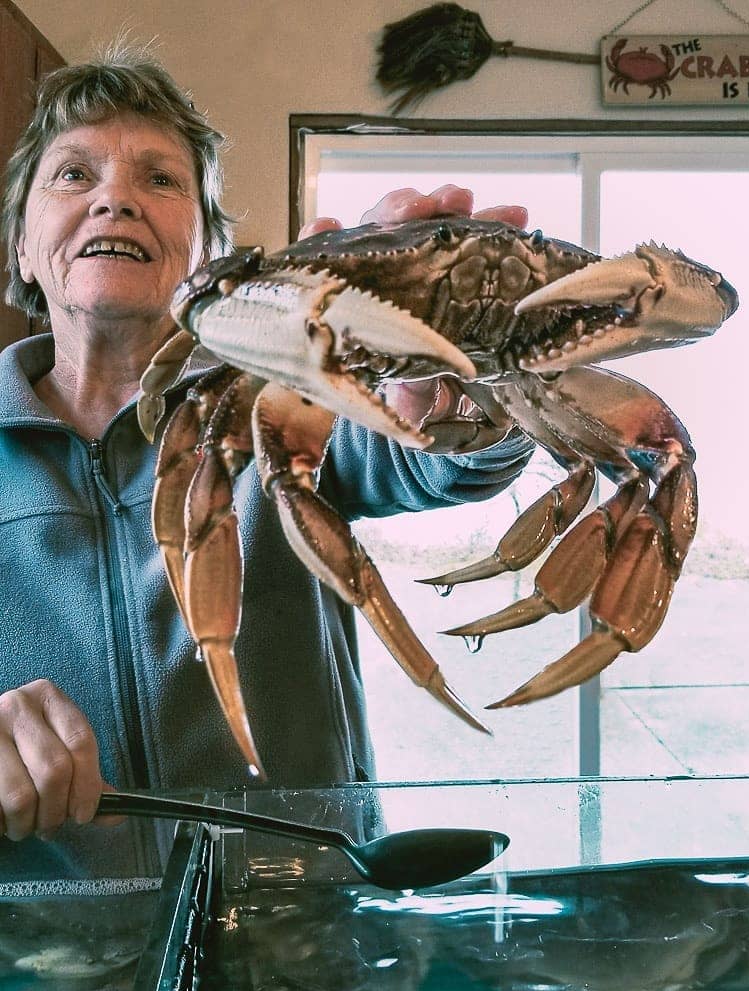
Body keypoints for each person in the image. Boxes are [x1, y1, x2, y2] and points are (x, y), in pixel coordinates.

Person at [0, 48, 533, 877]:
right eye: (73, 174)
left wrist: (464, 383)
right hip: (53, 939)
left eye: (162, 181)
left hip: (304, 922)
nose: (116, 198)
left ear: (208, 252)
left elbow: (429, 458)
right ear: (23, 249)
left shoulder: (284, 400)